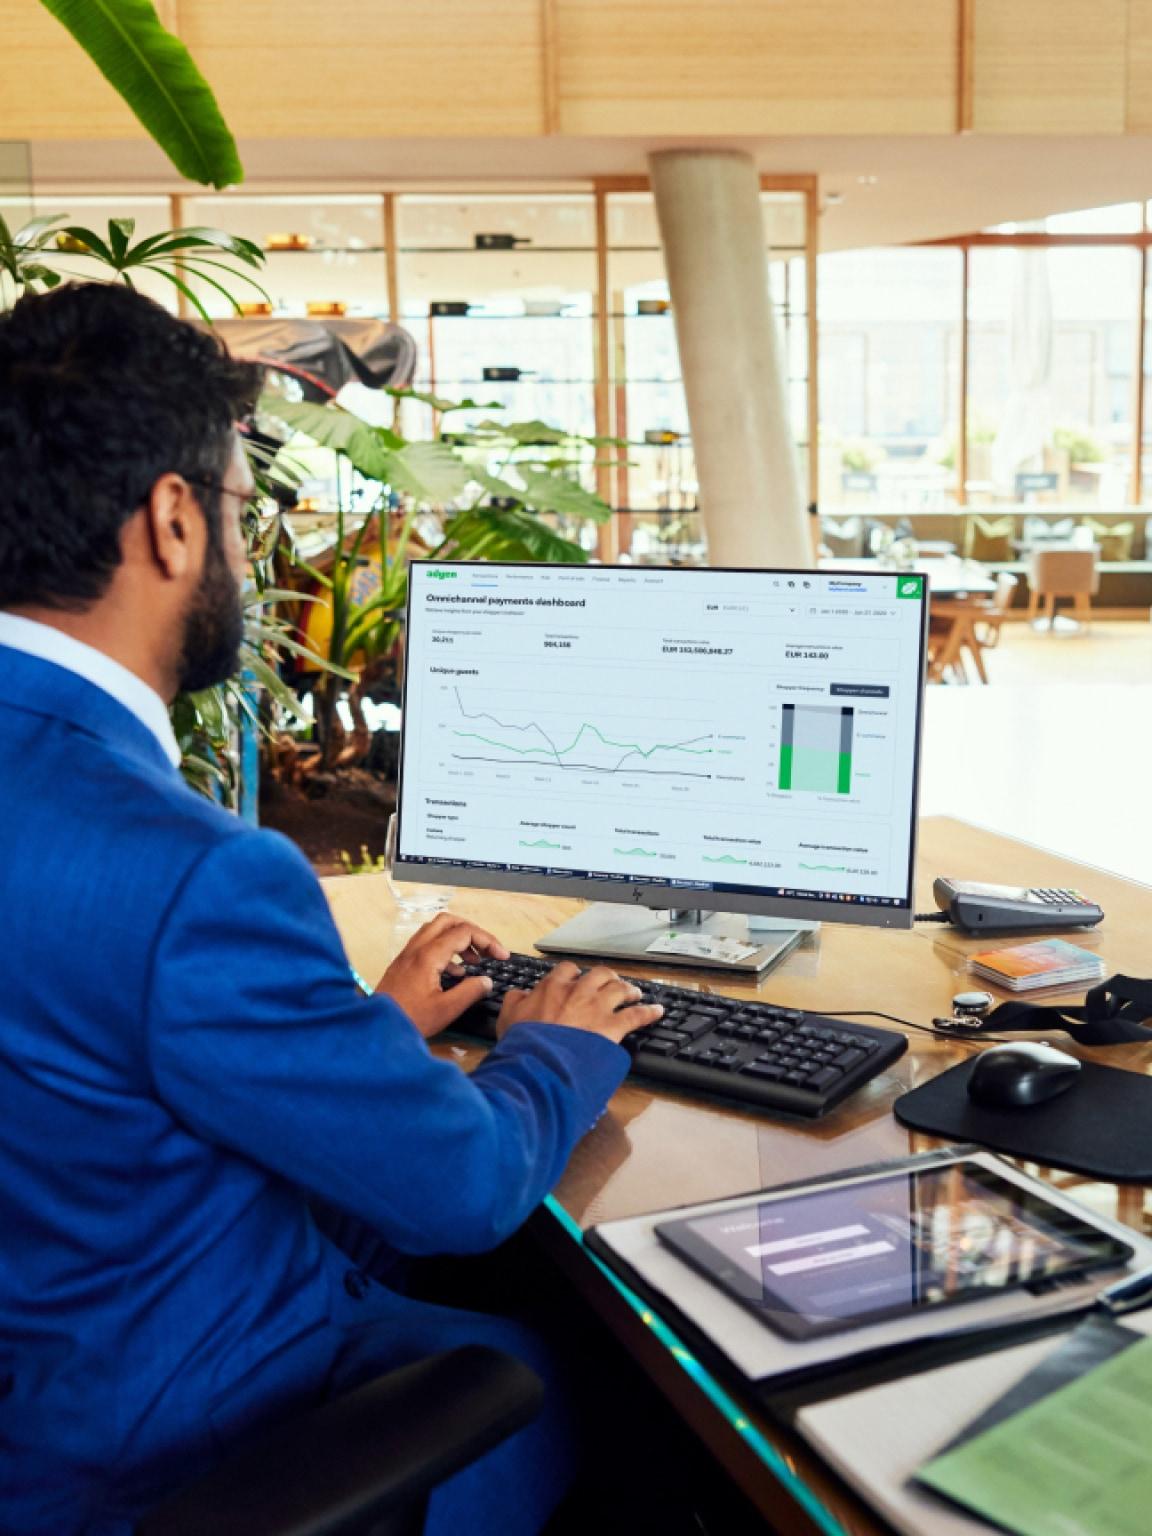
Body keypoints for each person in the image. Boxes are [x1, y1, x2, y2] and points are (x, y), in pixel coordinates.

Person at [0, 283, 663, 1535]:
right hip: (161, 1442)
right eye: (246, 517)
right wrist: (561, 1047)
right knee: (617, 1372)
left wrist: (361, 1033)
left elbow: (86, 1067)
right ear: (174, 523)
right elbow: (461, 1186)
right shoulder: (191, 872)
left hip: (42, 1379)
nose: (249, 563)